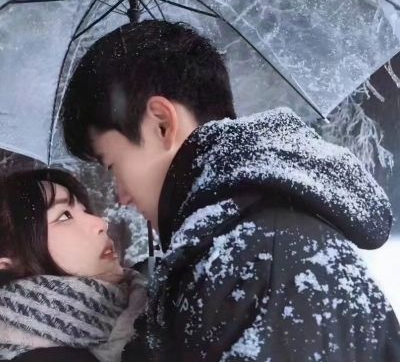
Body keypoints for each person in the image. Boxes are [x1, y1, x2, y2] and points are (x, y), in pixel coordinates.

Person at [61, 20, 400, 361]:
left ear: (161, 124)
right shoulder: (241, 245)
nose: (120, 196)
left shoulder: (260, 262)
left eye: (112, 166)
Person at [0, 169, 146, 362]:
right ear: (9, 264)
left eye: (84, 210)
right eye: (64, 216)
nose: (101, 223)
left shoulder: (153, 300)